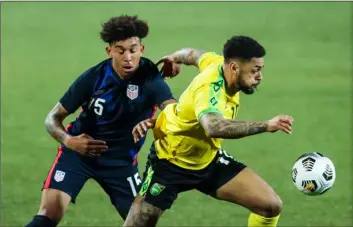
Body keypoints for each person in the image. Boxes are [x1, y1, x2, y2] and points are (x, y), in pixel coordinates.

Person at [25, 15, 180, 227]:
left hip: (122, 163)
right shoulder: (94, 77)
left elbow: (174, 112)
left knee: (142, 223)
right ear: (110, 51)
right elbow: (52, 118)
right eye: (120, 50)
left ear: (141, 49)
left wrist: (153, 122)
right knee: (47, 215)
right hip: (78, 155)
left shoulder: (150, 78)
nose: (128, 57)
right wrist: (69, 141)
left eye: (133, 50)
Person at [124, 35, 294, 227]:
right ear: (234, 68)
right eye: (255, 70)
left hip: (208, 159)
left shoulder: (217, 63)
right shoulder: (209, 89)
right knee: (139, 224)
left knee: (270, 206)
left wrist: (173, 57)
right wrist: (266, 125)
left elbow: (192, 54)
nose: (260, 76)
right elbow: (213, 127)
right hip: (169, 161)